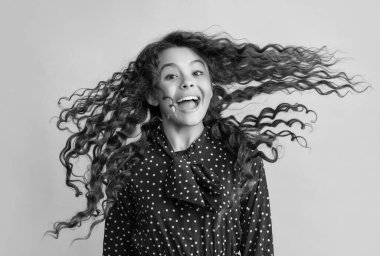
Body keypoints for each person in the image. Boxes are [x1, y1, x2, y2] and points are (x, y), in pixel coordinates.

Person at [47, 31, 365, 256]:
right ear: (152, 93)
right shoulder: (127, 166)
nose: (187, 81)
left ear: (210, 87)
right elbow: (116, 251)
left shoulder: (241, 158)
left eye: (197, 73)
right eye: (171, 76)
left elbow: (259, 249)